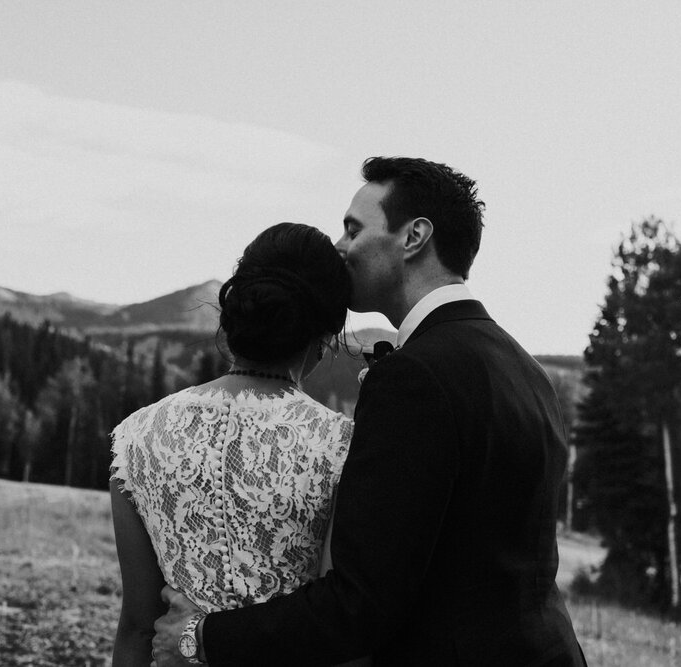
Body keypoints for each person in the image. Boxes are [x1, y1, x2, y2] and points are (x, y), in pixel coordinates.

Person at [153, 157, 587, 665]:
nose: (340, 246)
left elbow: (362, 605)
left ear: (414, 237)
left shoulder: (416, 377)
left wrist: (201, 638)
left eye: (354, 229)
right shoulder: (523, 369)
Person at [109, 222, 355, 666]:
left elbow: (138, 626)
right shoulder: (341, 445)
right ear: (325, 333)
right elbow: (339, 631)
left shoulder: (136, 435)